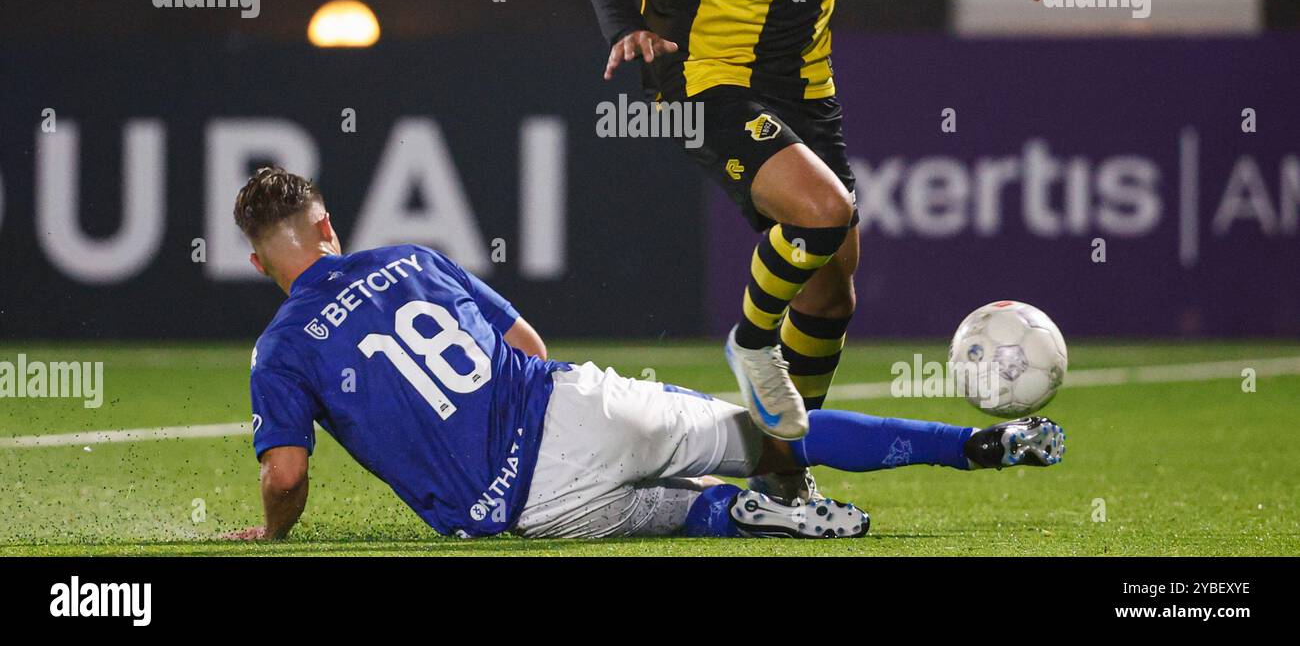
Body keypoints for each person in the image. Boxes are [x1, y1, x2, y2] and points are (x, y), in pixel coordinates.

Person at [584, 0, 1055, 502]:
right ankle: (749, 341)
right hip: (703, 77)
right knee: (822, 214)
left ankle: (780, 475)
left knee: (835, 285)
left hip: (805, 84)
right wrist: (626, 29)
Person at [222, 168, 1064, 543]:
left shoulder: (280, 348)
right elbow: (526, 344)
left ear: (260, 263)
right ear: (329, 228)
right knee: (761, 433)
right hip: (574, 412)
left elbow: (288, 476)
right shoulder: (409, 257)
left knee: (681, 514)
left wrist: (271, 531)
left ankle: (754, 515)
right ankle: (981, 445)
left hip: (520, 515)